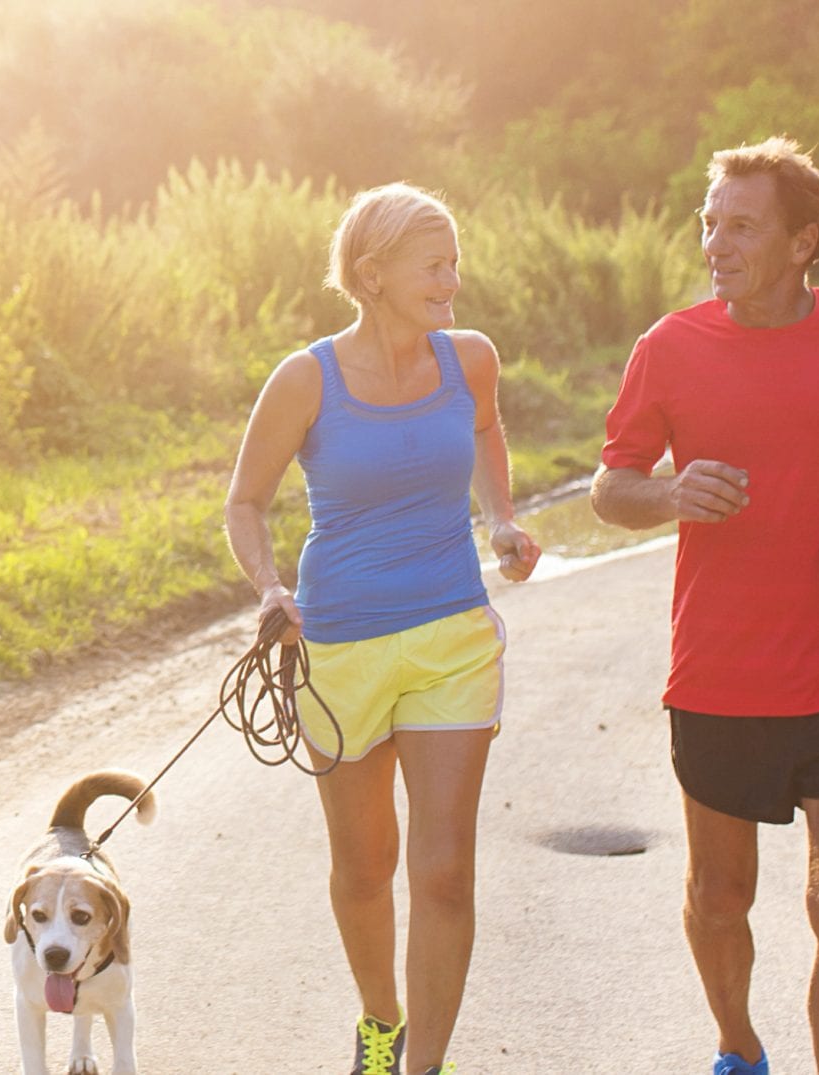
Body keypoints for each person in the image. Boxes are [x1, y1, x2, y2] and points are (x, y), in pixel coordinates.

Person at [590, 137, 819, 1075]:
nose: (715, 243)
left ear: (803, 241)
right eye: (709, 223)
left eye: (741, 226)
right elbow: (610, 487)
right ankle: (739, 1047)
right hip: (720, 669)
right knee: (720, 896)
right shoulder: (668, 349)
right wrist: (669, 493)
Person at [224, 183, 543, 1075]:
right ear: (372, 275)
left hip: (452, 638)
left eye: (454, 262)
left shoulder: (470, 358)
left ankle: (424, 1066)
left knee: (444, 872)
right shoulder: (306, 379)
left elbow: (486, 429)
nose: (452, 280)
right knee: (366, 865)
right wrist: (270, 588)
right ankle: (379, 1019)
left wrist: (500, 519)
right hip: (340, 647)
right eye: (433, 265)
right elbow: (245, 502)